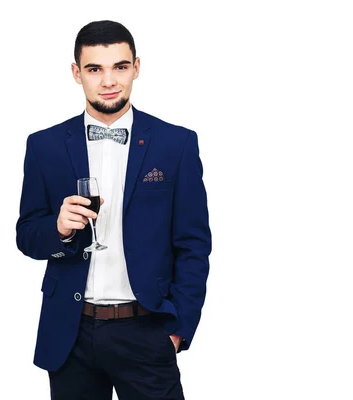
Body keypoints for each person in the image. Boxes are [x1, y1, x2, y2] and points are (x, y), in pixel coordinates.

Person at [16, 20, 212, 400]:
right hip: (69, 333)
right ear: (77, 73)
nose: (109, 80)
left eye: (119, 67)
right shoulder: (44, 146)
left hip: (147, 330)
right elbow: (27, 236)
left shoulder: (177, 144)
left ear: (136, 67)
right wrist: (58, 230)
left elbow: (193, 245)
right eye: (95, 69)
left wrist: (176, 330)